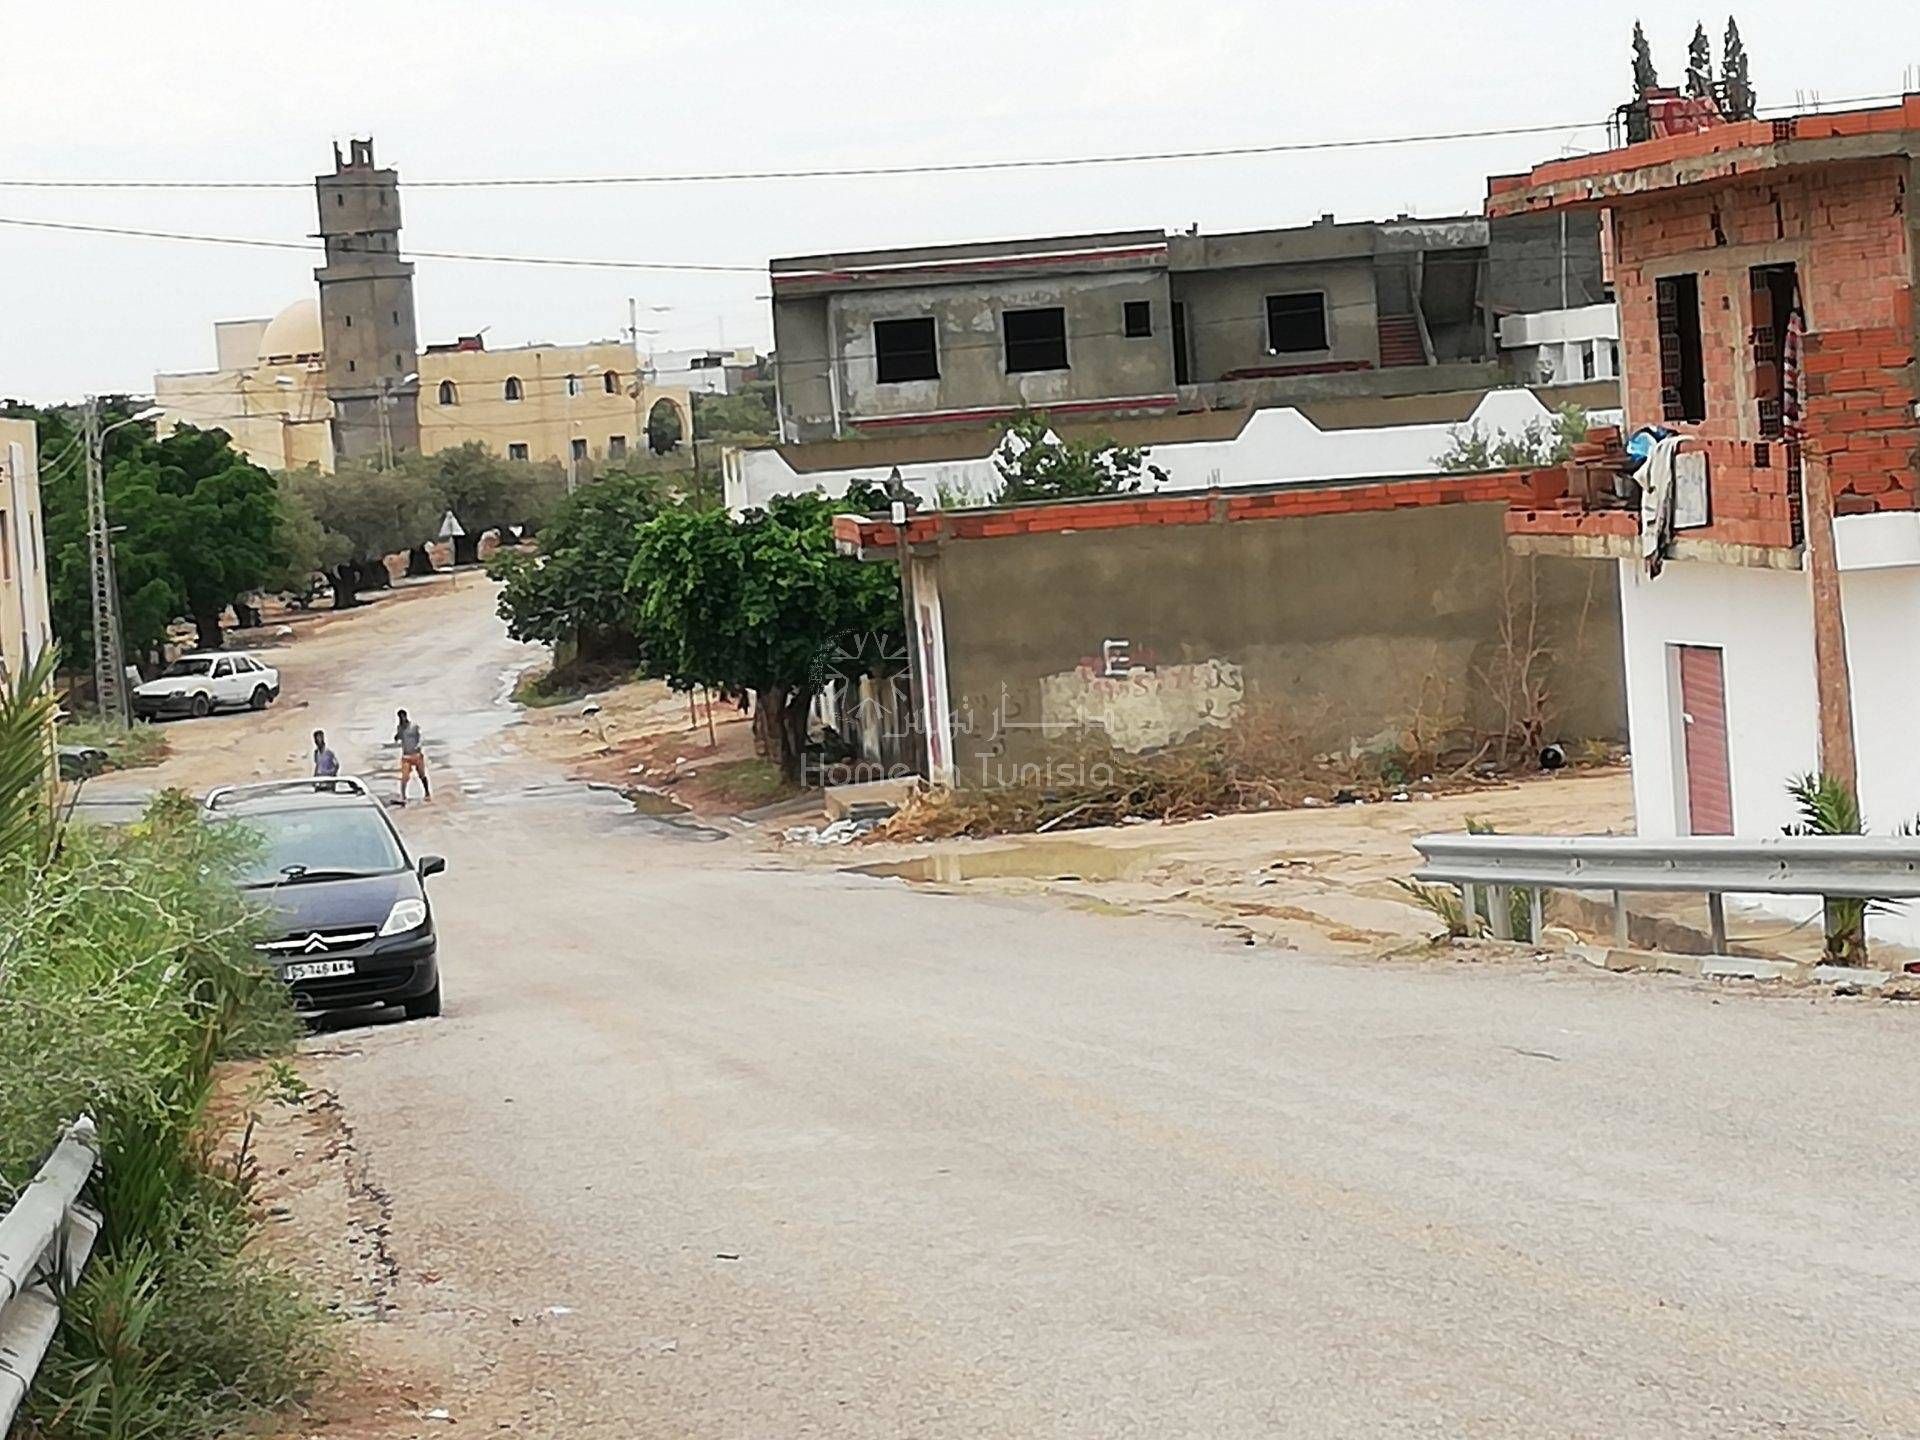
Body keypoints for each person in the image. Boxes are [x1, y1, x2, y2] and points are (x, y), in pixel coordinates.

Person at [394, 708, 430, 803]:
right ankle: (403, 796)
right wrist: (397, 735)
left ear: (406, 716)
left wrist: (418, 746)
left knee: (422, 775)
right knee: (404, 777)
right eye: (400, 717)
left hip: (416, 755)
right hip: (406, 756)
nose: (402, 719)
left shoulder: (414, 727)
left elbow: (420, 738)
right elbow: (398, 738)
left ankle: (427, 793)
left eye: (403, 716)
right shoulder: (400, 728)